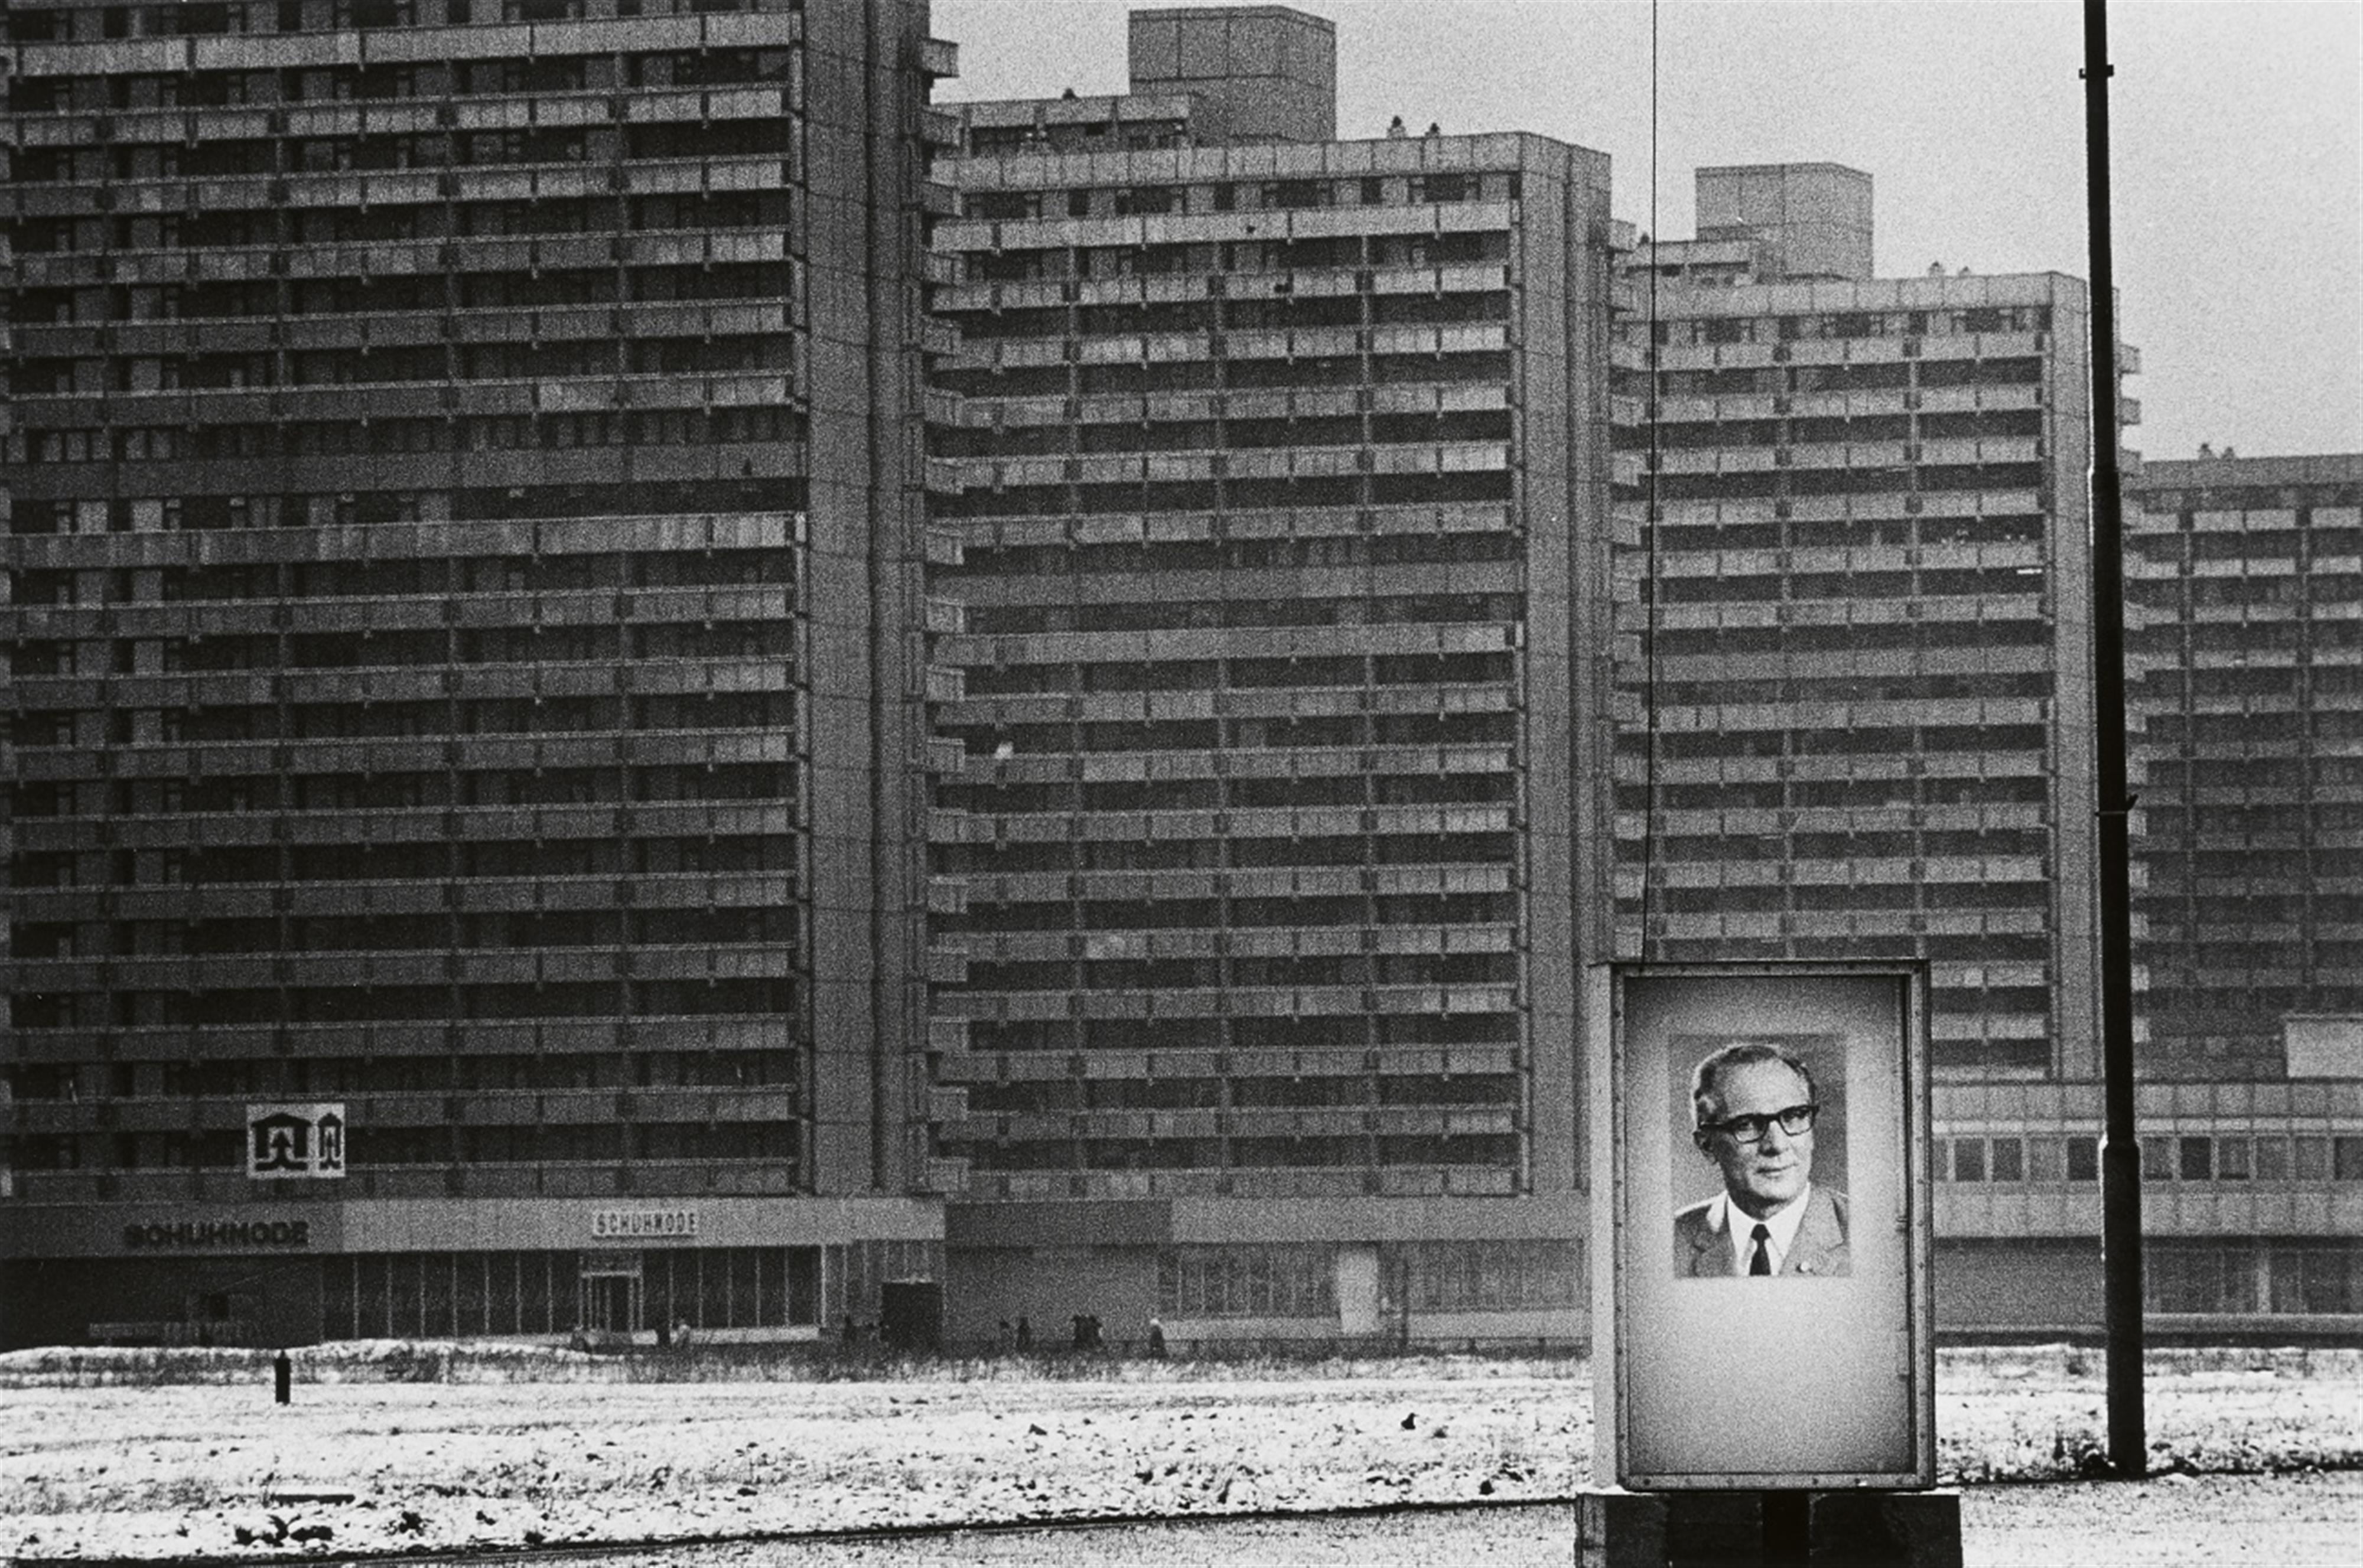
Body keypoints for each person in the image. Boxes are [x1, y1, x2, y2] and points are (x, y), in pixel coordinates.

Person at [1674, 1042, 1848, 1278]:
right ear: (1706, 1145)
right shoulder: (1670, 1241)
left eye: (1794, 1116)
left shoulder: (1867, 1232)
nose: (1776, 1145)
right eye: (1746, 1125)